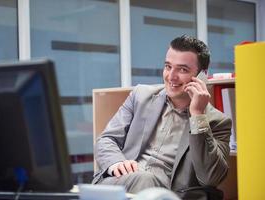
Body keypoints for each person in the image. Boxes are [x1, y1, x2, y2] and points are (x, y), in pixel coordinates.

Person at [92, 35, 232, 200]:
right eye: (168, 66)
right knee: (141, 179)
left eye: (182, 69)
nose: (171, 76)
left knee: (145, 180)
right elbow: (106, 139)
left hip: (170, 194)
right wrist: (117, 163)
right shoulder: (140, 96)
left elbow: (211, 177)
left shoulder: (217, 121)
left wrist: (198, 115)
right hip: (124, 182)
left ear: (202, 75)